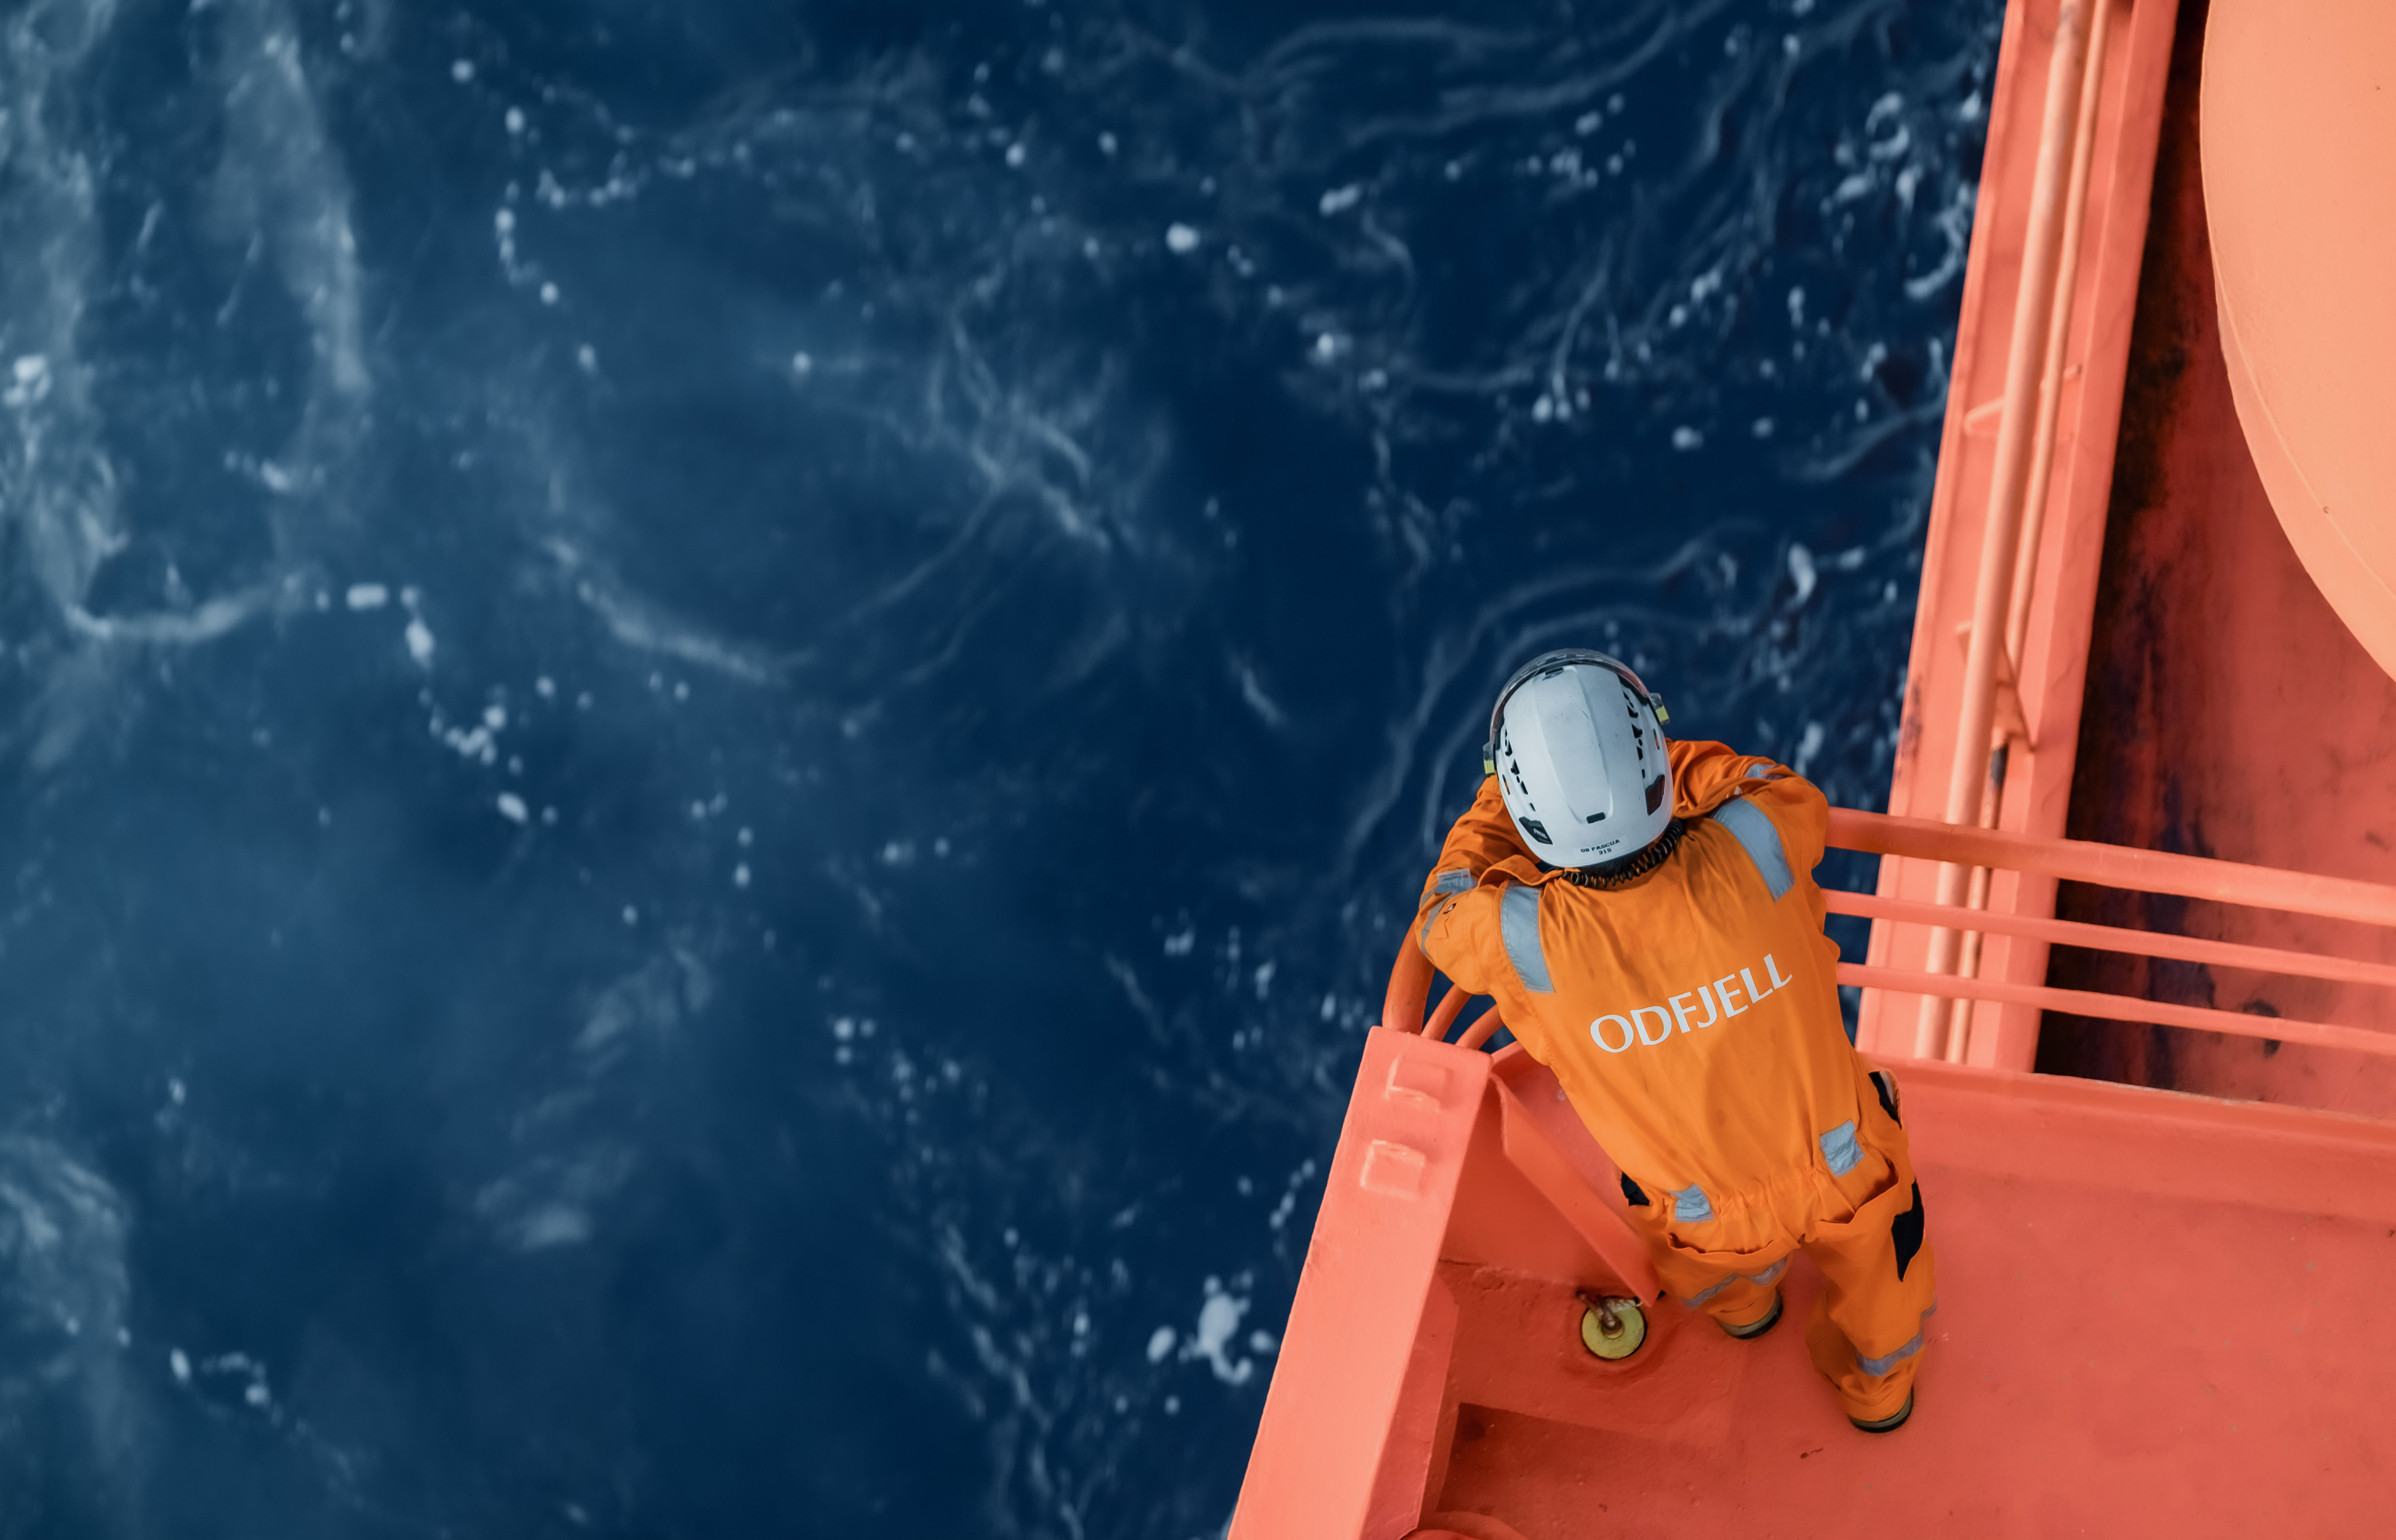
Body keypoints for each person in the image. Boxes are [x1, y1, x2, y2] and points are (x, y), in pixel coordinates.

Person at [1412, 649, 1935, 1432]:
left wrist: (1500, 802)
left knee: (1721, 1278)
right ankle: (1879, 1395)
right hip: (1844, 1164)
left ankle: (1747, 1316)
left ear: (1526, 814)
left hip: (1698, 1208)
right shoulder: (1754, 838)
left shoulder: (1516, 936)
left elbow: (1440, 913)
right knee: (1882, 1293)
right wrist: (1653, 769)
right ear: (1654, 757)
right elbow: (1767, 784)